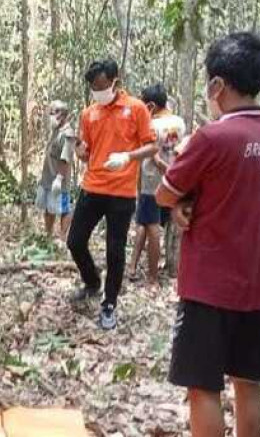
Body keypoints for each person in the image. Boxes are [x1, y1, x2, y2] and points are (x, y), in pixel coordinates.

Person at [156, 32, 260, 437]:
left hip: (209, 288)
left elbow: (167, 191)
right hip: (256, 286)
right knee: (250, 385)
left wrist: (178, 203)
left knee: (203, 389)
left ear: (217, 85)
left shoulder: (212, 137)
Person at [67, 58, 157, 330]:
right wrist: (79, 149)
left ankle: (109, 304)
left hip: (122, 192)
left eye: (102, 86)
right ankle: (92, 281)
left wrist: (127, 157)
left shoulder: (136, 108)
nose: (98, 91)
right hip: (93, 187)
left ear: (115, 82)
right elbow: (87, 153)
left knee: (115, 250)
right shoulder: (89, 113)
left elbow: (152, 147)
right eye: (94, 87)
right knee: (75, 241)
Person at [128, 84, 186, 284]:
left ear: (151, 105)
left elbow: (151, 153)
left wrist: (161, 165)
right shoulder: (179, 122)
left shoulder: (151, 125)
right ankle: (135, 266)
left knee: (151, 227)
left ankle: (152, 277)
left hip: (151, 181)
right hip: (171, 182)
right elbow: (180, 150)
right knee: (148, 223)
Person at [35, 100, 76, 241]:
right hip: (47, 178)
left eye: (53, 113)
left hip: (59, 181)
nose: (51, 117)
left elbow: (65, 159)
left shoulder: (68, 134)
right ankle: (48, 235)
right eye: (50, 113)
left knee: (64, 208)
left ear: (62, 115)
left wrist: (59, 178)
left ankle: (62, 237)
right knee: (48, 208)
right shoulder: (55, 131)